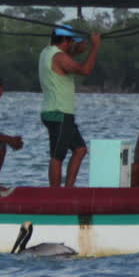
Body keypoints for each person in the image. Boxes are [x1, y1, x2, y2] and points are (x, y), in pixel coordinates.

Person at [38, 24, 102, 187]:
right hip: (60, 113)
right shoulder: (59, 57)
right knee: (57, 156)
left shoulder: (46, 52)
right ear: (65, 40)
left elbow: (65, 59)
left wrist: (78, 51)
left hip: (54, 112)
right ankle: (56, 194)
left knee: (80, 150)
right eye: (71, 41)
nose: (73, 43)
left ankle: (68, 189)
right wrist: (95, 48)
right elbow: (85, 70)